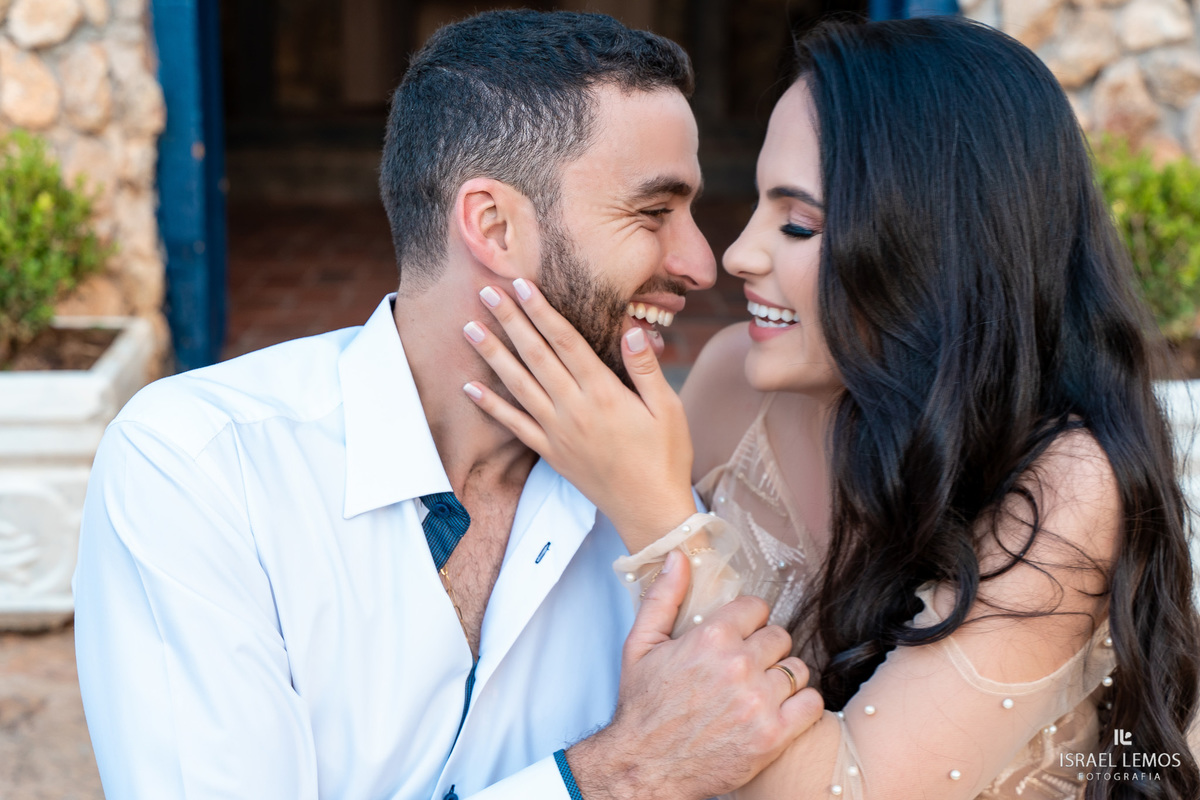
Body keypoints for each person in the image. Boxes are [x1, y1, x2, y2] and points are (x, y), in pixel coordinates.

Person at [72, 11, 824, 799]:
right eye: (653, 212)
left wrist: (667, 524)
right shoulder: (198, 466)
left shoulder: (652, 492)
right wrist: (620, 774)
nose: (703, 262)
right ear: (493, 226)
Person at [463, 16, 1200, 799]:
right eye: (759, 205)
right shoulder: (734, 379)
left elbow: (853, 787)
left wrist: (655, 513)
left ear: (934, 246)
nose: (736, 254)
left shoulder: (1065, 485)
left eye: (797, 222)